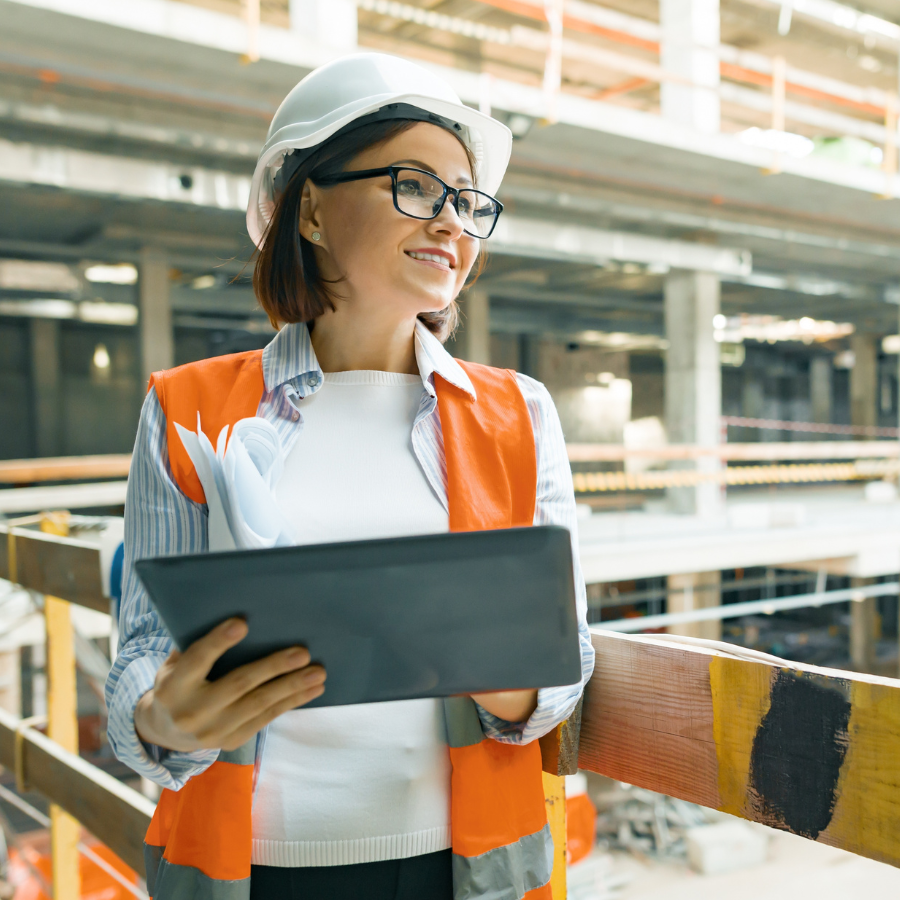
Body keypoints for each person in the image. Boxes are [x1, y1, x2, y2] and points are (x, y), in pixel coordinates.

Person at [105, 53, 595, 900]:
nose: (453, 223)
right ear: (312, 209)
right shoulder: (186, 409)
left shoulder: (521, 413)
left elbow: (561, 673)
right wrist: (160, 717)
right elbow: (145, 656)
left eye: (469, 202)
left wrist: (506, 671)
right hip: (250, 872)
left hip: (463, 870)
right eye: (415, 185)